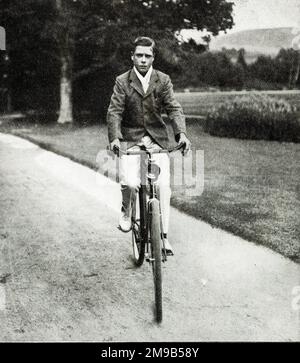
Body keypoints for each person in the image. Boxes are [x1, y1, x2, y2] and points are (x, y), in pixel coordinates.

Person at [106, 36, 191, 255]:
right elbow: (115, 111)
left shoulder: (162, 80)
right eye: (139, 55)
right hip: (131, 139)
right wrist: (115, 138)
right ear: (132, 57)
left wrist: (181, 133)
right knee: (131, 182)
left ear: (153, 58)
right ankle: (126, 212)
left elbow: (173, 108)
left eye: (147, 56)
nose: (143, 60)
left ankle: (162, 237)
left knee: (163, 188)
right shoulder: (122, 81)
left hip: (157, 140)